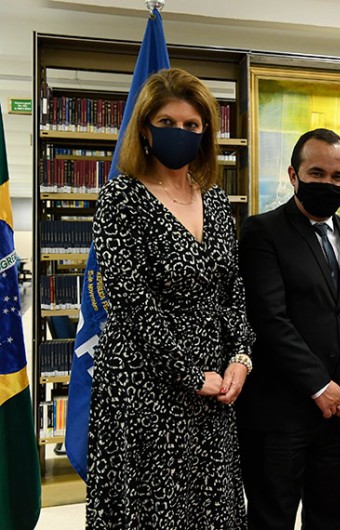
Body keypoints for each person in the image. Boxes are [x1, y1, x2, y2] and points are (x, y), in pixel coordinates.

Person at [86, 68, 255, 528]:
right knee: (153, 509)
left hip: (215, 384)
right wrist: (187, 372)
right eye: (167, 123)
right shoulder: (121, 196)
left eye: (191, 125)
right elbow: (129, 297)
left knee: (211, 506)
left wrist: (240, 356)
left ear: (204, 134)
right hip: (146, 381)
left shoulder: (216, 200)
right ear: (144, 128)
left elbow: (232, 289)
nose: (179, 133)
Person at [235, 128, 340, 529]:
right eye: (317, 174)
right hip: (279, 413)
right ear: (293, 176)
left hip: (338, 413)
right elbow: (269, 319)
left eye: (338, 176)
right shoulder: (261, 232)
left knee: (329, 518)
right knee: (271, 519)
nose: (328, 184)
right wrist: (318, 385)